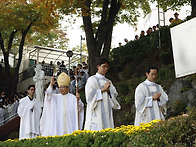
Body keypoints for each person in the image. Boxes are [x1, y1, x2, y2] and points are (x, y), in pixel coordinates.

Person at [40, 72, 84, 137]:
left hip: (70, 123)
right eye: (60, 87)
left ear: (68, 88)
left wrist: (78, 100)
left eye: (63, 87)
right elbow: (48, 96)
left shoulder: (72, 97)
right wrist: (51, 84)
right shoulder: (55, 97)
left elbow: (80, 108)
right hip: (58, 124)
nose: (61, 89)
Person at [84, 58, 121, 131]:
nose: (106, 69)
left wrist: (108, 92)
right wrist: (102, 90)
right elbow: (89, 96)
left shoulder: (108, 81)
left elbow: (114, 95)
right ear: (98, 67)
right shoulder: (92, 80)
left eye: (107, 67)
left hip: (107, 111)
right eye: (103, 66)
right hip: (96, 111)